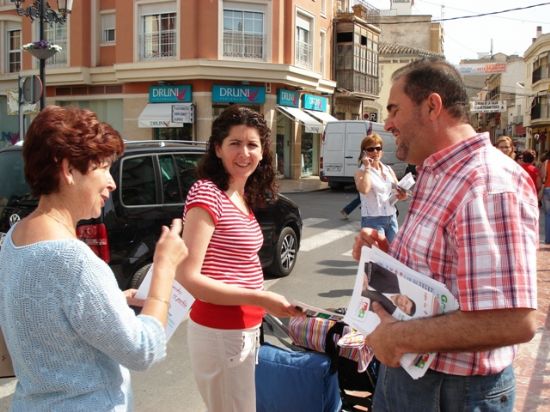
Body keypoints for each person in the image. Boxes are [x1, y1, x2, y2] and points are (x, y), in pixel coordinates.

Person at [352, 58, 538, 411]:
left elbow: (513, 319)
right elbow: (441, 273)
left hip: (453, 392)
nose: (388, 123)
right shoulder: (437, 171)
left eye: (394, 109)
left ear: (432, 106)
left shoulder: (487, 184)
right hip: (414, 379)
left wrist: (399, 338)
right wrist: (385, 255)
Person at [0, 105, 188, 410]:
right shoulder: (74, 262)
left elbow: (48, 318)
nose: (112, 183)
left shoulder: (14, 238)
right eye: (103, 168)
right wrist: (164, 269)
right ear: (68, 170)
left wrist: (112, 297)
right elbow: (143, 349)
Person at [176, 105, 302, 412]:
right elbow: (189, 277)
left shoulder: (239, 196)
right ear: (218, 149)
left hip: (240, 328)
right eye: (235, 143)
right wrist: (260, 298)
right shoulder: (208, 193)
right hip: (220, 329)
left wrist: (260, 303)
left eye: (252, 144)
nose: (244, 152)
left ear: (262, 152)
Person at [354, 133, 406, 242]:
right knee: (377, 255)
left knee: (393, 254)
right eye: (370, 149)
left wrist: (402, 195)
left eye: (378, 148)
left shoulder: (388, 169)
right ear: (364, 152)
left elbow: (398, 189)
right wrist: (368, 167)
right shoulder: (361, 172)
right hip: (372, 220)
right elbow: (364, 189)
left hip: (391, 217)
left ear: (381, 151)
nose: (375, 152)